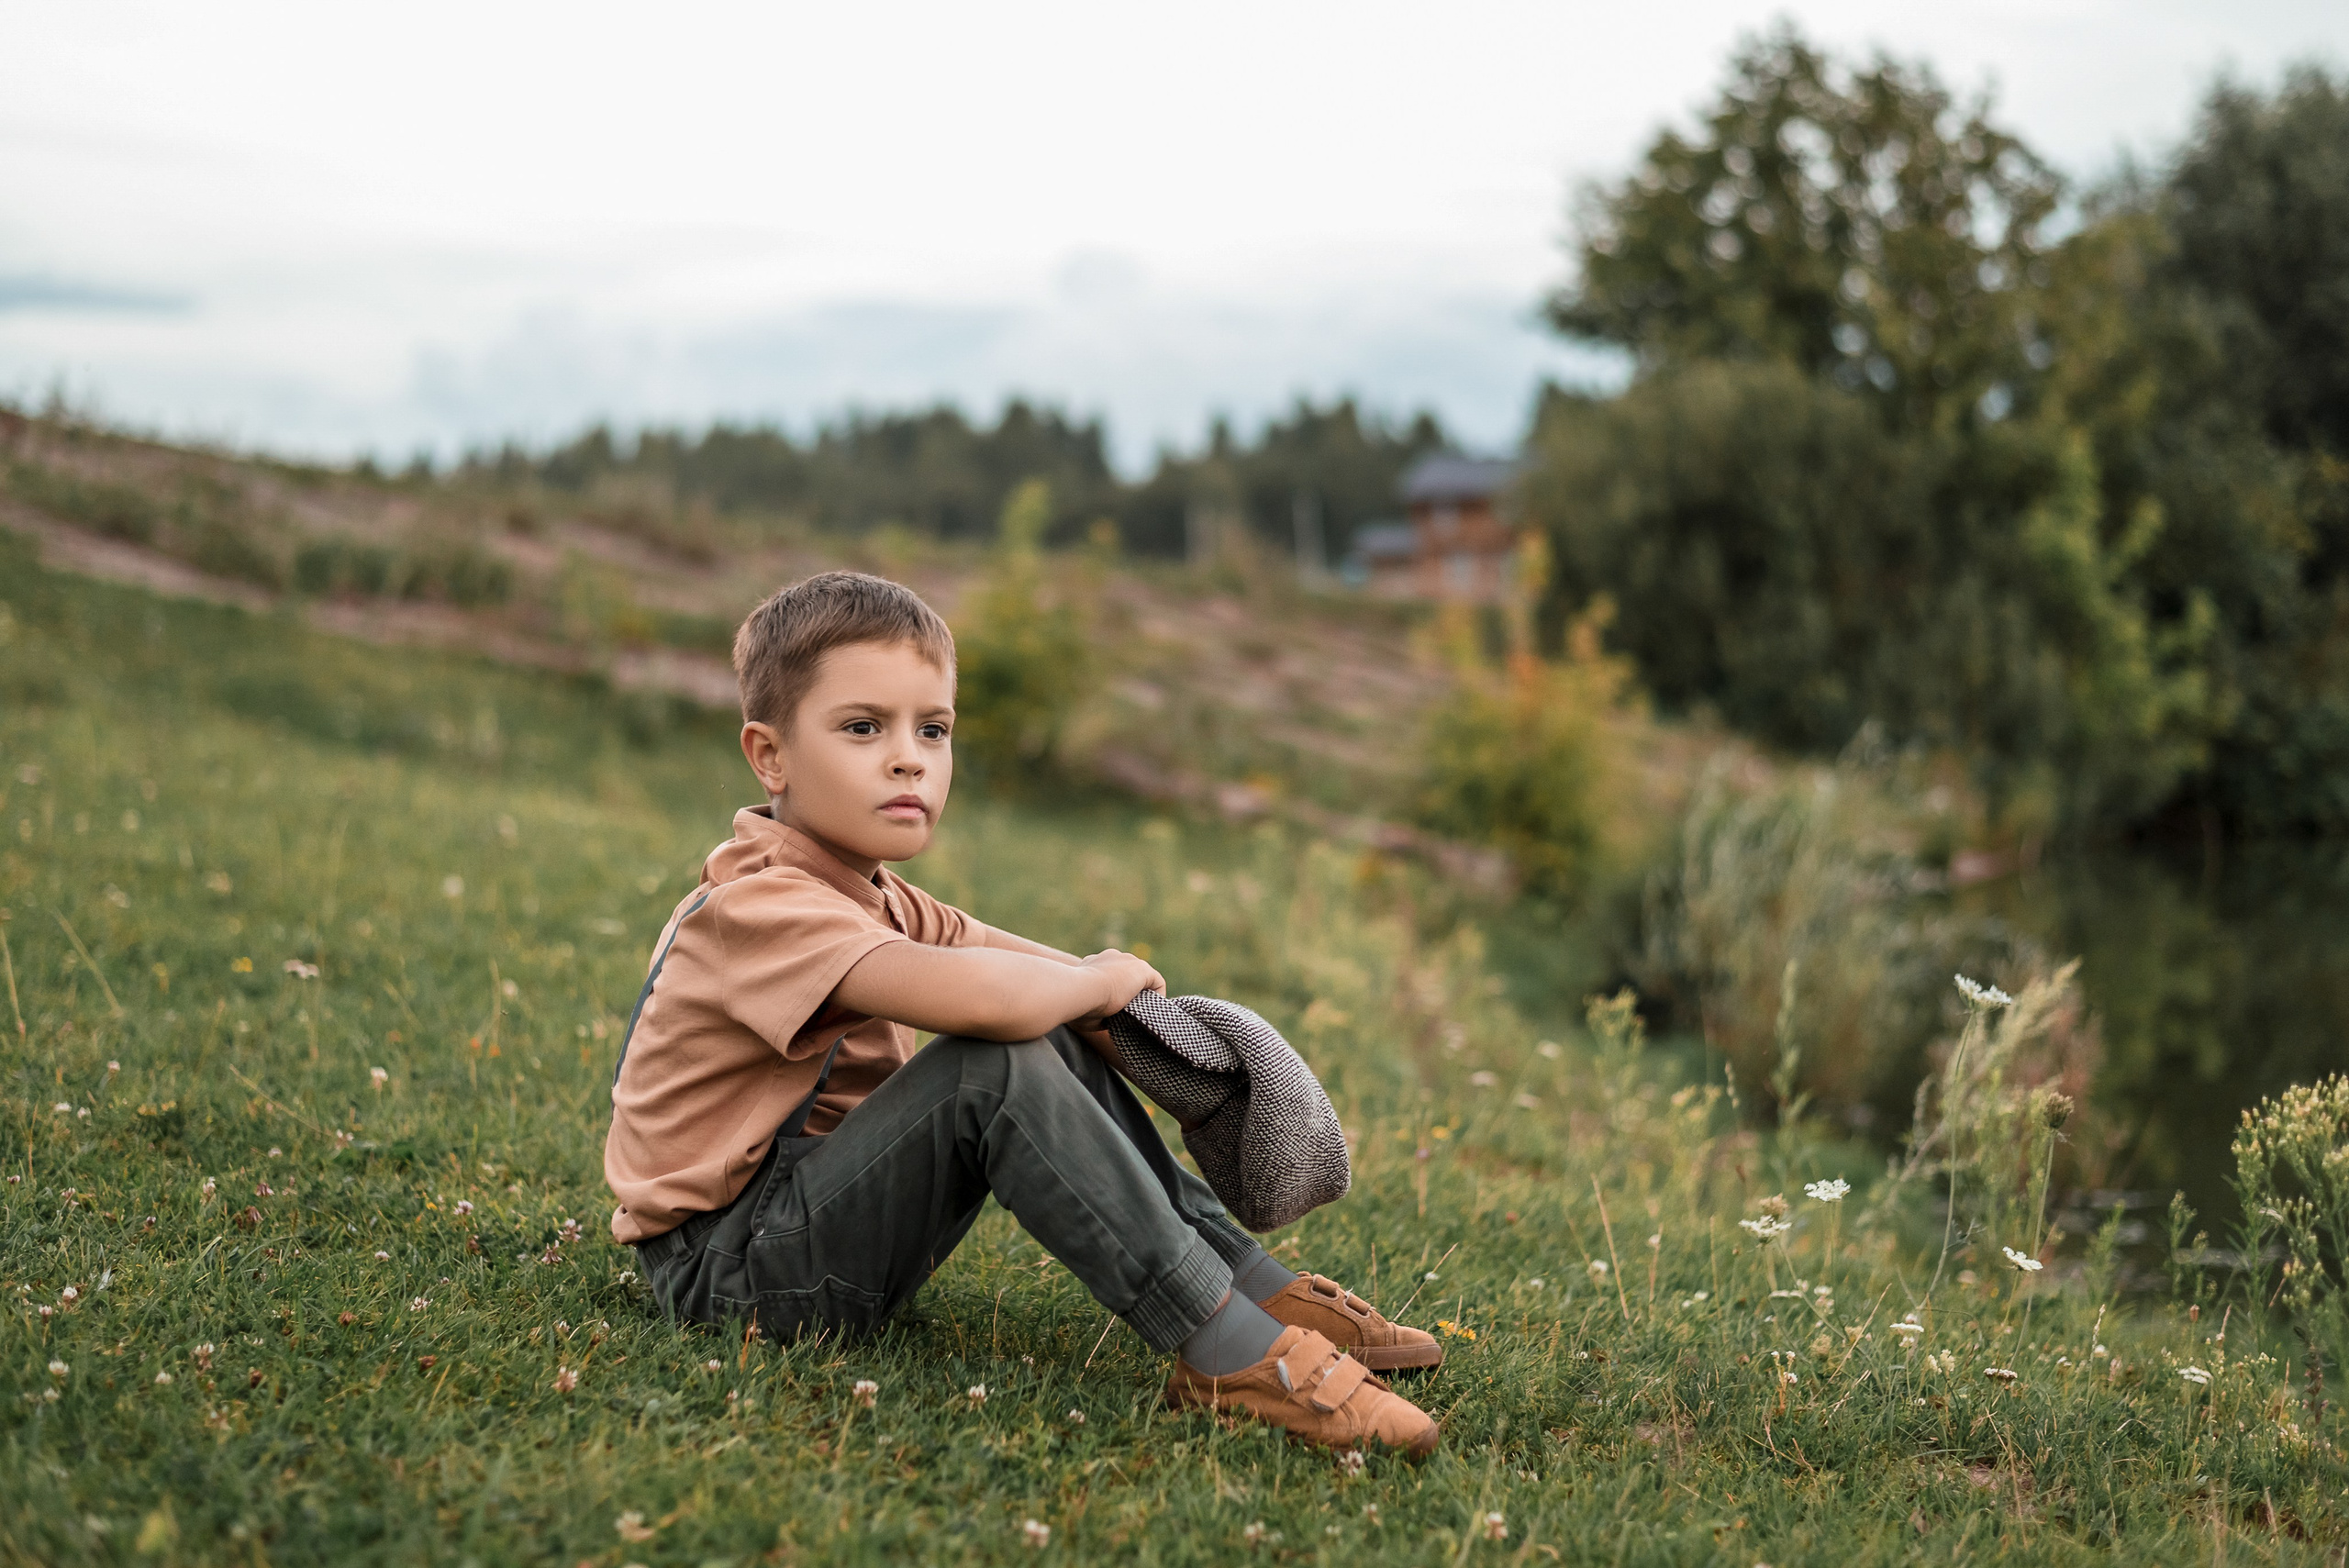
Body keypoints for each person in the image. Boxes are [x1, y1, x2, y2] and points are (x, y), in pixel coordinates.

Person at [605, 571, 1442, 1456]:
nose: (909, 758)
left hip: (800, 1223)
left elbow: (1007, 963)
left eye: (932, 729)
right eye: (863, 727)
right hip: (728, 1275)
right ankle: (1227, 1352)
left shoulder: (869, 892)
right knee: (991, 1061)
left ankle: (1244, 1280)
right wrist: (1100, 978)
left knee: (1038, 1027)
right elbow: (997, 999)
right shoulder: (764, 905)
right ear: (770, 756)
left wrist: (1134, 1011)